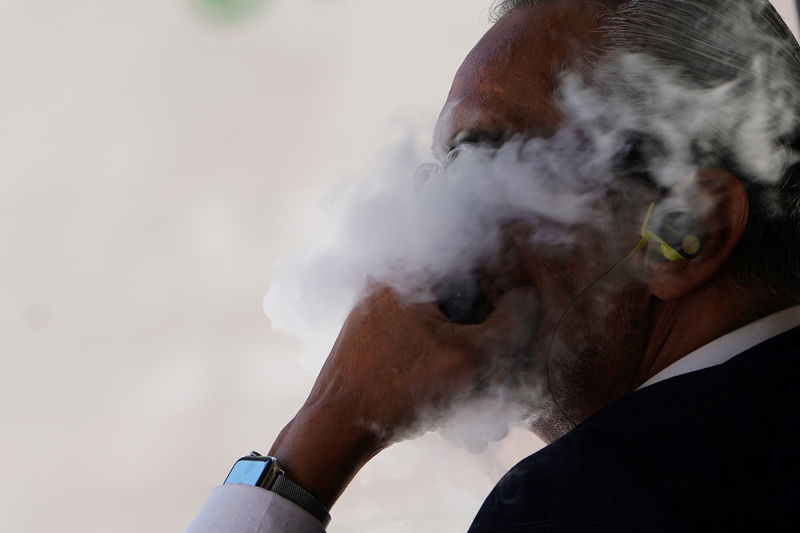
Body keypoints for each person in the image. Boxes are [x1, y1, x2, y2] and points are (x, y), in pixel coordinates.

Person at [187, 0, 800, 531]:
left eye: (478, 161)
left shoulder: (585, 499)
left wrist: (321, 432)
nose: (440, 217)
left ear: (687, 228)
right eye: (440, 174)